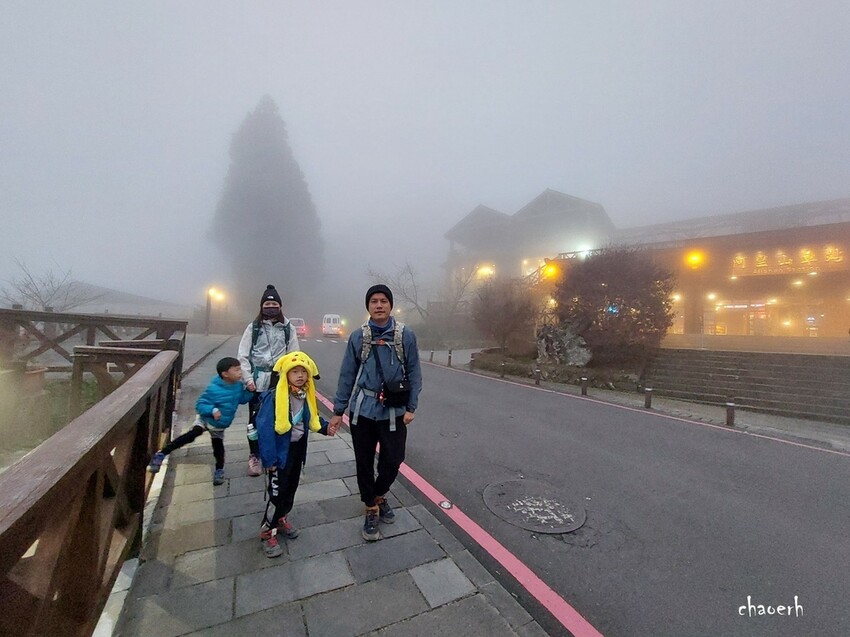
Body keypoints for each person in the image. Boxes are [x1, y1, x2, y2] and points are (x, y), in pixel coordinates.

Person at [329, 284, 422, 541]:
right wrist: (339, 410)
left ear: (390, 305)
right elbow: (347, 375)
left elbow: (414, 372)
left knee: (394, 460)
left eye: (383, 300)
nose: (378, 305)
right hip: (363, 412)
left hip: (394, 411)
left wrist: (411, 406)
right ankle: (371, 506)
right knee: (364, 462)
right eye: (373, 301)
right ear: (368, 306)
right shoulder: (358, 337)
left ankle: (380, 494)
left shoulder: (406, 336)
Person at [256, 351, 334, 557]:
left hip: (297, 449)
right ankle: (267, 532)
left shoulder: (304, 395)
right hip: (279, 454)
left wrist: (326, 428)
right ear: (285, 375)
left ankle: (281, 519)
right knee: (276, 493)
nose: (300, 375)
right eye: (295, 372)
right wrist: (269, 459)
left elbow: (312, 418)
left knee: (291, 487)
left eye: (303, 372)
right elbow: (264, 430)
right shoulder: (274, 397)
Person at [148, 356, 253, 485]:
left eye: (240, 369)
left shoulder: (238, 386)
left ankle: (219, 470)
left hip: (219, 424)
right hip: (205, 419)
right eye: (236, 370)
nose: (240, 372)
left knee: (218, 446)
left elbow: (242, 399)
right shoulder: (214, 388)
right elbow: (200, 404)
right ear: (225, 374)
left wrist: (249, 391)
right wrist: (212, 410)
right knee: (192, 434)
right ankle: (162, 453)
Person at [238, 284, 300, 477]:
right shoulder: (253, 328)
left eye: (274, 303)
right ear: (262, 306)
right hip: (257, 382)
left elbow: (294, 355)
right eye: (267, 303)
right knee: (254, 421)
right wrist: (248, 379)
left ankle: (272, 456)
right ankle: (254, 456)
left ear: (280, 306)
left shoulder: (288, 328)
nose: (271, 306)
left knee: (278, 419)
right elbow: (243, 355)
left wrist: (292, 380)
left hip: (279, 382)